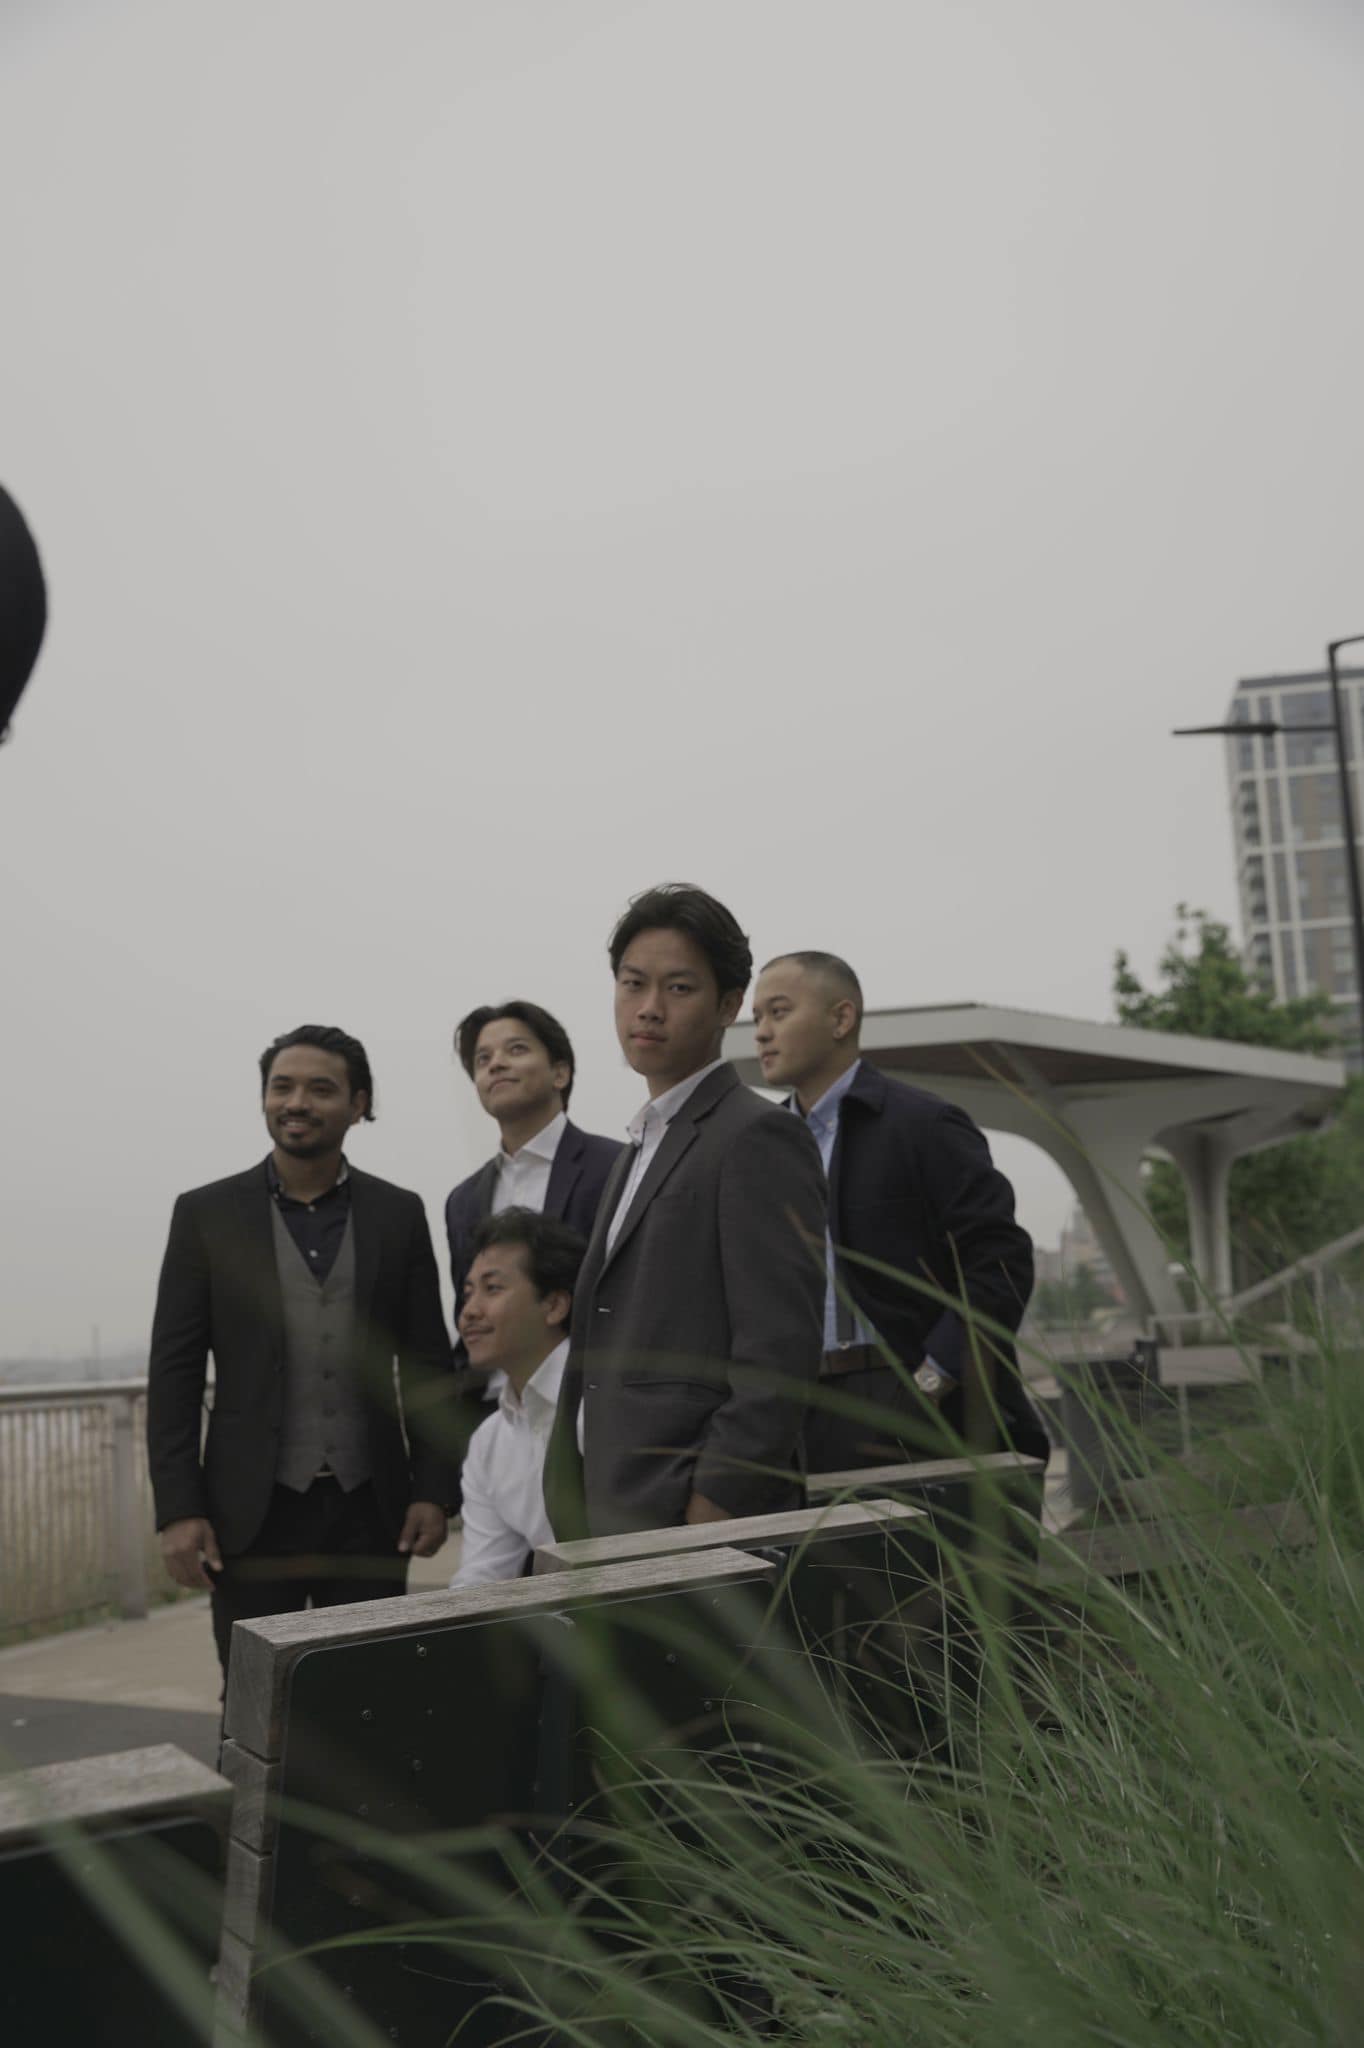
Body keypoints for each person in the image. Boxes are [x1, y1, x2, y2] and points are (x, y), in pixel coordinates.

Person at [146, 1024, 456, 1681]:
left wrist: (434, 1488)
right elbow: (174, 1372)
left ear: (358, 1104)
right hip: (246, 1514)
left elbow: (427, 1363)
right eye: (281, 1086)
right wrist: (178, 1509)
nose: (296, 1102)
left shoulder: (398, 1213)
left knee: (371, 1692)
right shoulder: (204, 1214)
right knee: (255, 1697)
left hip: (371, 1508)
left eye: (320, 1089)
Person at [545, 884, 826, 1541]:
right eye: (632, 983)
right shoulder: (638, 1146)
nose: (648, 1008)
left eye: (678, 988)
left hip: (688, 1521)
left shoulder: (756, 1135)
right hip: (611, 1505)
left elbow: (779, 1350)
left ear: (729, 1004)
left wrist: (713, 1506)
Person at [750, 951, 1045, 1471]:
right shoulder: (760, 1149)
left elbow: (1000, 1264)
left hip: (917, 1401)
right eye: (757, 1018)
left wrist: (934, 1379)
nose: (761, 1033)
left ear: (841, 1018)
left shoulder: (924, 1125)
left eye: (779, 1012)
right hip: (799, 1414)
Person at [444, 1000, 622, 1491]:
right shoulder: (463, 1200)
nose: (496, 1064)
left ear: (560, 1072)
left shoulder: (616, 1167)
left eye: (516, 1049)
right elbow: (468, 1313)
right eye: (483, 1059)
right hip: (500, 1422)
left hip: (596, 1418)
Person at [448, 1208, 587, 1588]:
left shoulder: (602, 1407)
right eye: (468, 1293)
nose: (469, 1312)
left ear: (554, 1305)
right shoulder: (490, 1440)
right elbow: (481, 1580)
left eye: (492, 1288)